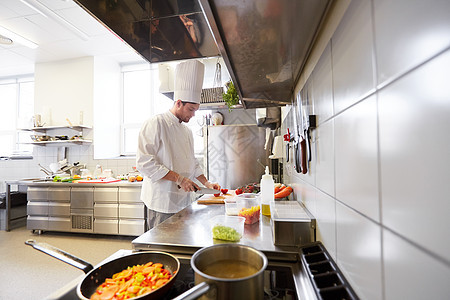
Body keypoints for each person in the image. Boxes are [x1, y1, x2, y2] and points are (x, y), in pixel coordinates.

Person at [136, 60, 220, 229]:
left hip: (183, 202)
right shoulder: (156, 123)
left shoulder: (187, 132)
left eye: (196, 110)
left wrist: (207, 184)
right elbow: (144, 163)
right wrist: (179, 179)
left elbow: (192, 163)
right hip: (161, 202)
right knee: (160, 247)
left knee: (179, 245)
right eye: (191, 110)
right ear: (178, 102)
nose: (193, 115)